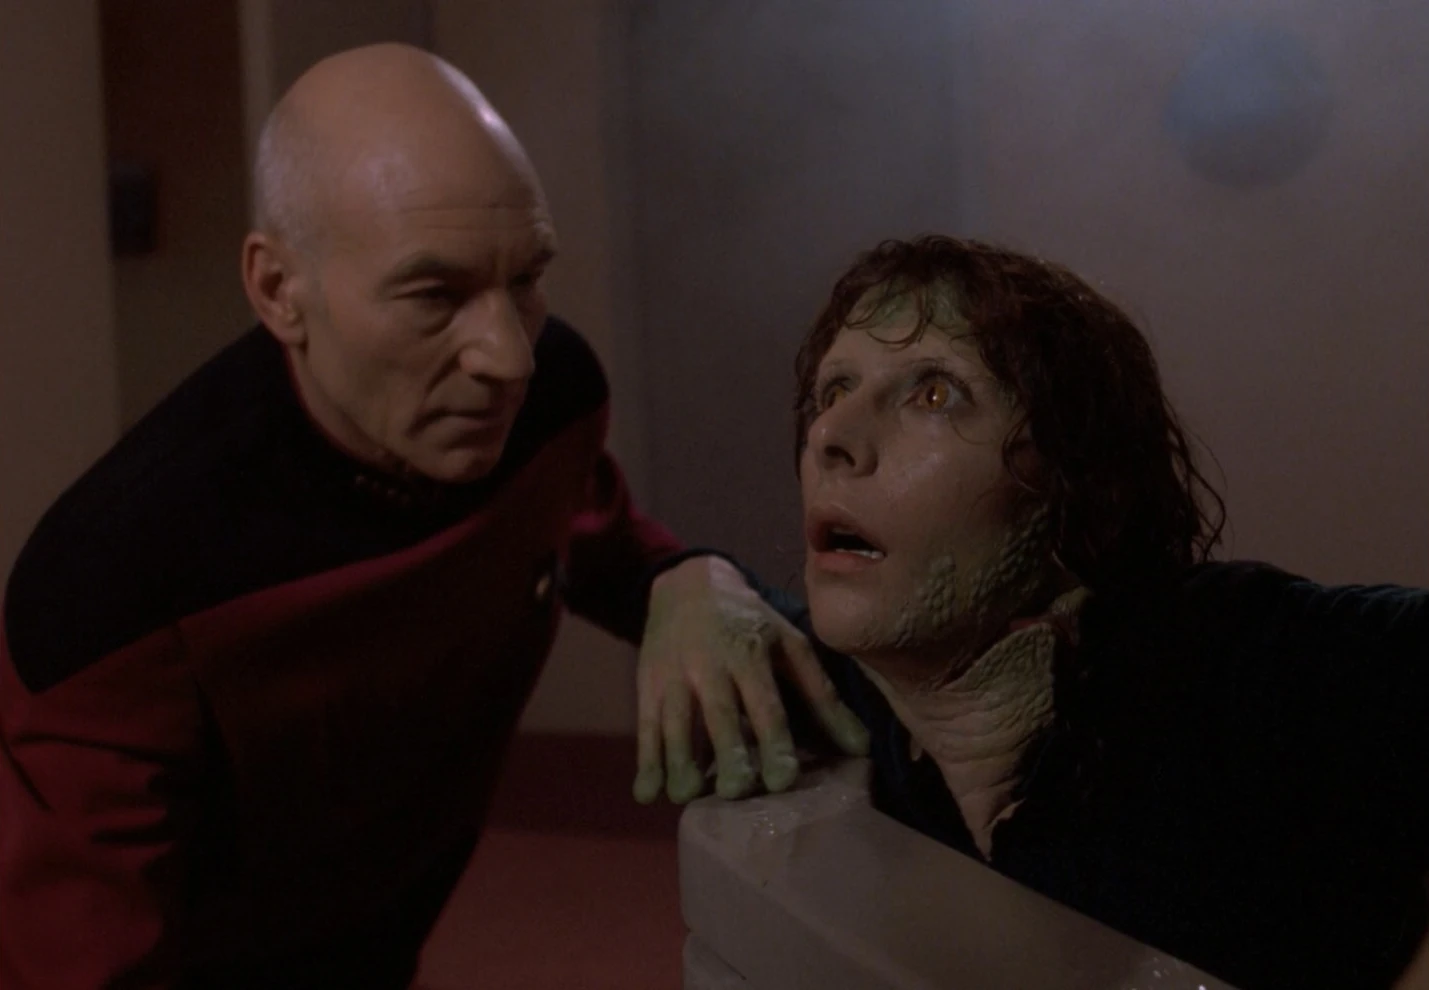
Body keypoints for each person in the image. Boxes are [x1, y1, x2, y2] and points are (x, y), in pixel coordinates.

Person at [0, 45, 867, 989]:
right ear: (278, 291)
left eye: (525, 279)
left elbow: (592, 539)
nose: (507, 358)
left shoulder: (550, 400)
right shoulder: (113, 585)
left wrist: (688, 577)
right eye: (433, 295)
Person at [780, 235, 1429, 989]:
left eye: (933, 394)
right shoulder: (864, 678)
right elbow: (741, 623)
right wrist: (689, 581)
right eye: (833, 391)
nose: (830, 435)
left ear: (1073, 492)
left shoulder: (1225, 662)